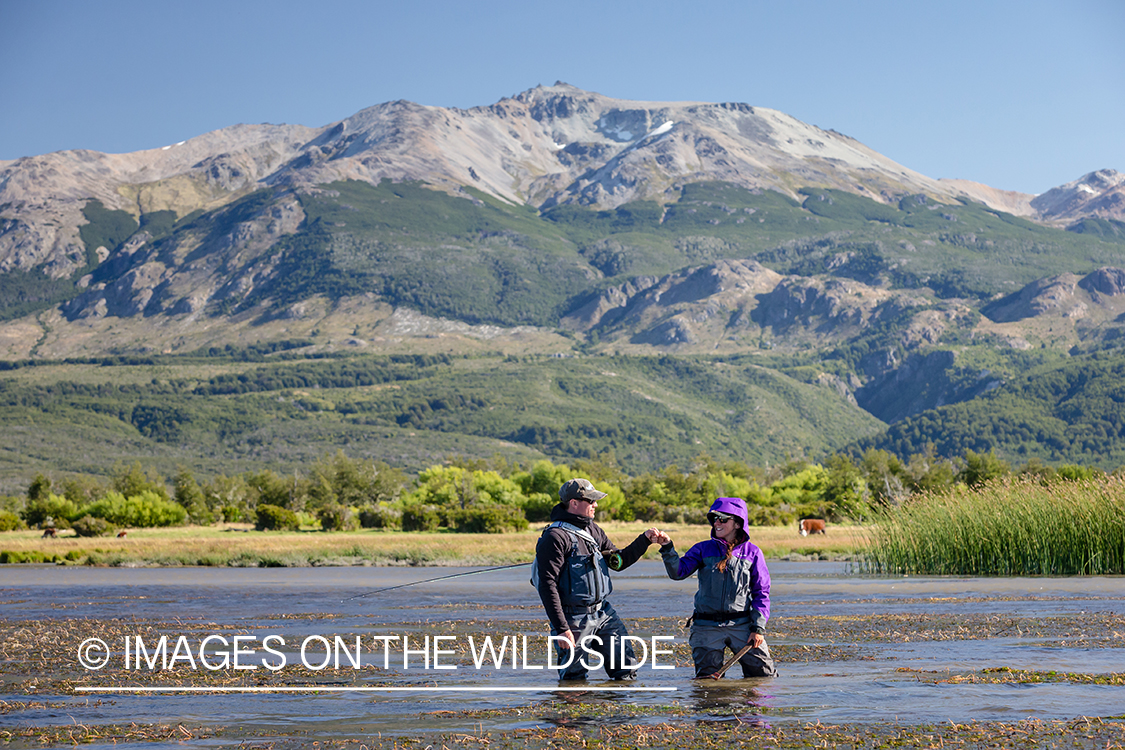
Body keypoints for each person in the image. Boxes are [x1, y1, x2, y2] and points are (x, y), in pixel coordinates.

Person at [534, 477, 664, 680]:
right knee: (573, 682)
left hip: (604, 613)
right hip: (572, 619)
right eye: (591, 500)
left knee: (627, 671)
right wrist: (561, 629)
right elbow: (546, 585)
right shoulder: (555, 537)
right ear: (574, 503)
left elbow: (617, 562)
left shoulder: (593, 529)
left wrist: (644, 540)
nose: (596, 505)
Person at [652, 497, 777, 679]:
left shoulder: (753, 553)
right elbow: (677, 572)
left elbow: (761, 593)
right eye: (714, 518)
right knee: (708, 685)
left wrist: (758, 628)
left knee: (764, 677)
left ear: (737, 523)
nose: (717, 523)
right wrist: (667, 548)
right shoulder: (702, 549)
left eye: (723, 519)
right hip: (706, 627)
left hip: (743, 626)